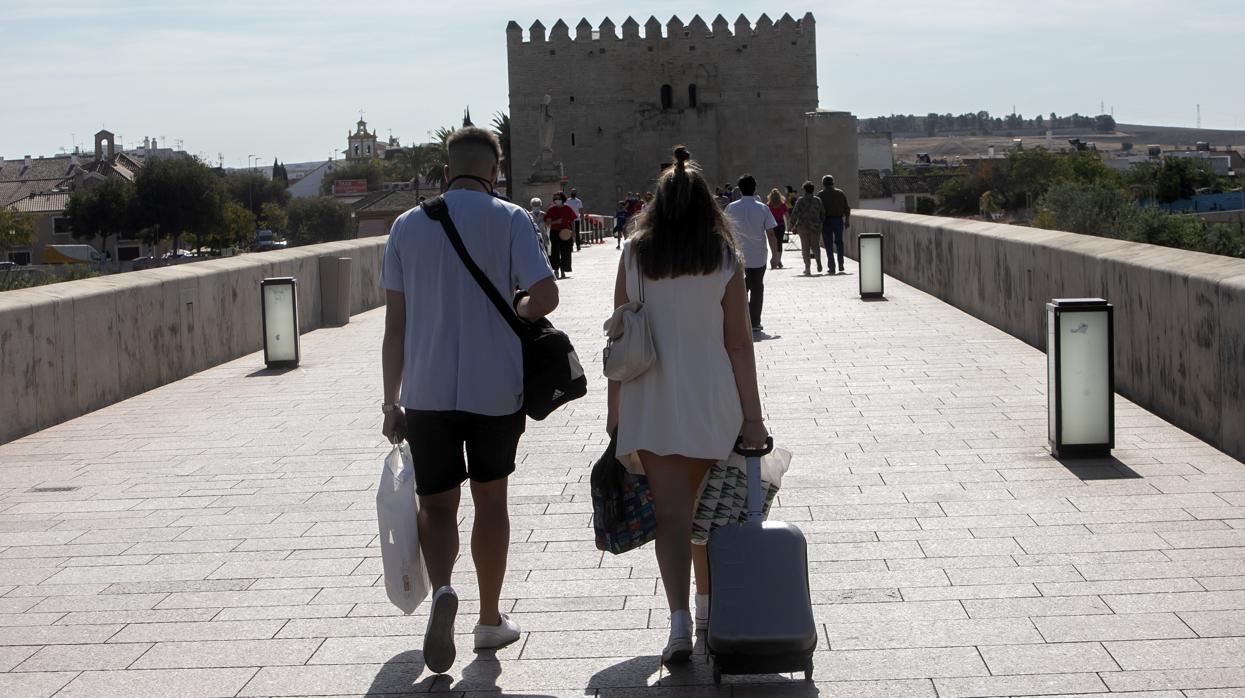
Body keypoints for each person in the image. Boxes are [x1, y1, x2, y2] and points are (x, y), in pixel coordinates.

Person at [380, 126, 559, 674]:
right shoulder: (510, 219)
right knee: (491, 501)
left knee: (436, 505)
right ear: (494, 171)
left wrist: (391, 402)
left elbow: (395, 325)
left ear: (445, 168)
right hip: (494, 387)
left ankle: (442, 593)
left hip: (428, 392)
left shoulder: (406, 227)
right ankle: (488, 619)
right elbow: (546, 293)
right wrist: (517, 309)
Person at [607, 145, 769, 666]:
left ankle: (678, 624)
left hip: (650, 401)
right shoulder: (724, 259)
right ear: (706, 207)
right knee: (711, 518)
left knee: (674, 518)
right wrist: (753, 418)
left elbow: (619, 339)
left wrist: (614, 414)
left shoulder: (633, 256)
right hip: (712, 400)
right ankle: (708, 612)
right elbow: (739, 344)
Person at [723, 174, 777, 333]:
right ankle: (755, 322)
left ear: (739, 189)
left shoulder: (731, 208)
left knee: (738, 289)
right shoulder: (762, 208)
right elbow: (771, 234)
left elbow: (725, 232)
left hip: (737, 256)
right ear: (755, 189)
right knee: (757, 288)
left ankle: (739, 320)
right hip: (758, 256)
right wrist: (776, 256)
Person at [817, 175, 852, 274]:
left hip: (826, 221)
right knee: (839, 242)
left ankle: (831, 267)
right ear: (833, 182)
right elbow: (847, 208)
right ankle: (841, 264)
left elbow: (818, 210)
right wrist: (847, 220)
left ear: (823, 183)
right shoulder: (840, 193)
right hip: (838, 220)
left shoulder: (820, 194)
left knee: (828, 245)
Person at [790, 181, 825, 275]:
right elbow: (823, 213)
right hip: (815, 226)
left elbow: (794, 214)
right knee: (815, 246)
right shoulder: (818, 200)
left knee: (805, 247)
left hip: (803, 226)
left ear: (805, 190)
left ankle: (808, 268)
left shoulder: (800, 200)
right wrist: (820, 223)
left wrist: (792, 224)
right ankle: (818, 260)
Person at [545, 192, 577, 279]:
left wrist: (573, 232)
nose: (557, 200)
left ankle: (563, 271)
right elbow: (548, 223)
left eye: (559, 198)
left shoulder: (567, 208)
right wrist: (556, 222)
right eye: (555, 199)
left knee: (565, 252)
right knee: (555, 252)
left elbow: (572, 220)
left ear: (563, 199)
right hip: (554, 232)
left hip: (565, 233)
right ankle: (555, 271)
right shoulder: (551, 209)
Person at [765, 188, 788, 270]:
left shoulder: (768, 206)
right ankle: (778, 260)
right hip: (781, 225)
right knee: (779, 242)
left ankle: (774, 257)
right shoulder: (782, 205)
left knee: (772, 242)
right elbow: (787, 216)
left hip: (772, 226)